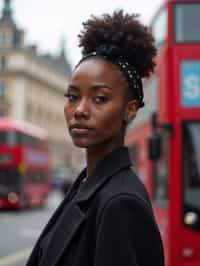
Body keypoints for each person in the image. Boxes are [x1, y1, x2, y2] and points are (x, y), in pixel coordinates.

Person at [26, 10, 164, 266]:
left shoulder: (121, 203)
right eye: (72, 96)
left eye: (100, 98)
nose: (79, 110)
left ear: (130, 109)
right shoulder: (85, 186)